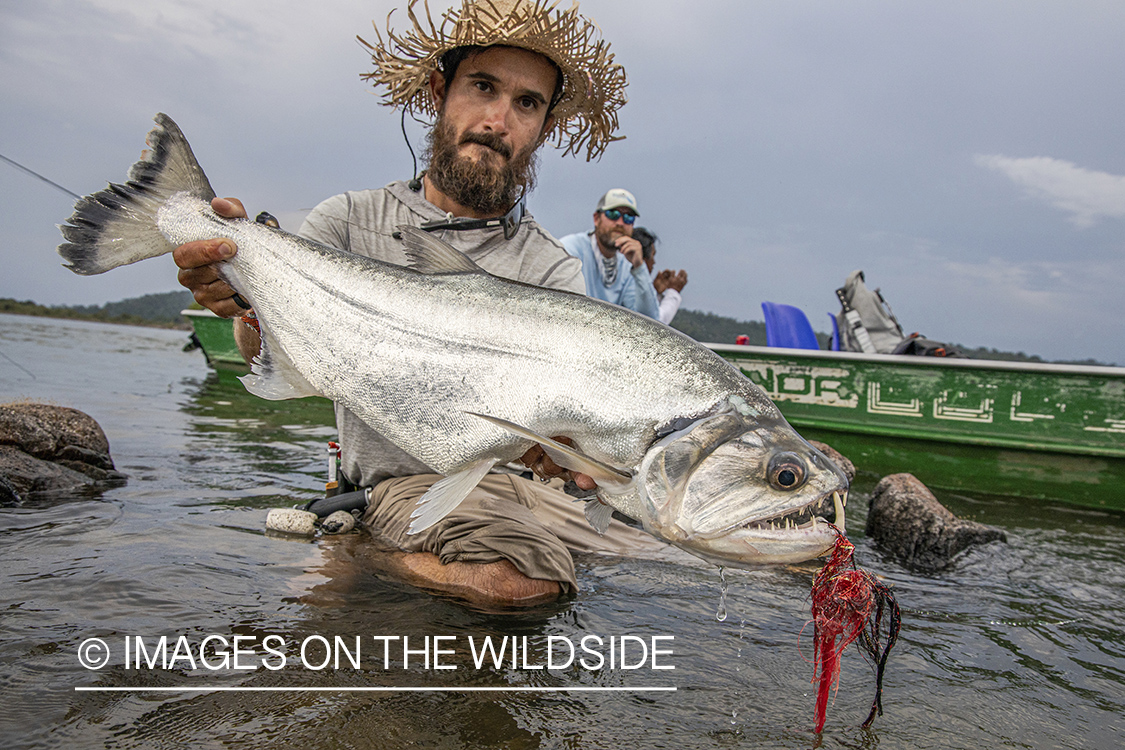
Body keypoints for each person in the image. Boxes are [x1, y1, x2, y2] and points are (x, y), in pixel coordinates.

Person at [171, 0, 671, 608]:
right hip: (397, 485)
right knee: (521, 586)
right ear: (440, 90)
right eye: (483, 86)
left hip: (523, 489)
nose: (498, 119)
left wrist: (578, 457)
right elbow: (263, 354)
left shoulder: (552, 269)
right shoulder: (349, 220)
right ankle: (357, 548)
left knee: (697, 555)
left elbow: (554, 437)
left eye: (527, 103)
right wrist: (243, 300)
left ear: (543, 127)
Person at [558, 190, 661, 319]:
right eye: (613, 214)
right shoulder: (570, 249)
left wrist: (639, 267)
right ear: (596, 218)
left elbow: (650, 321)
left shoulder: (627, 265)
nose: (620, 223)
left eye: (628, 218)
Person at [631, 226, 687, 325]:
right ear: (642, 259)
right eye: (652, 256)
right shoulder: (628, 285)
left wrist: (654, 291)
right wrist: (674, 292)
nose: (654, 262)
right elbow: (655, 322)